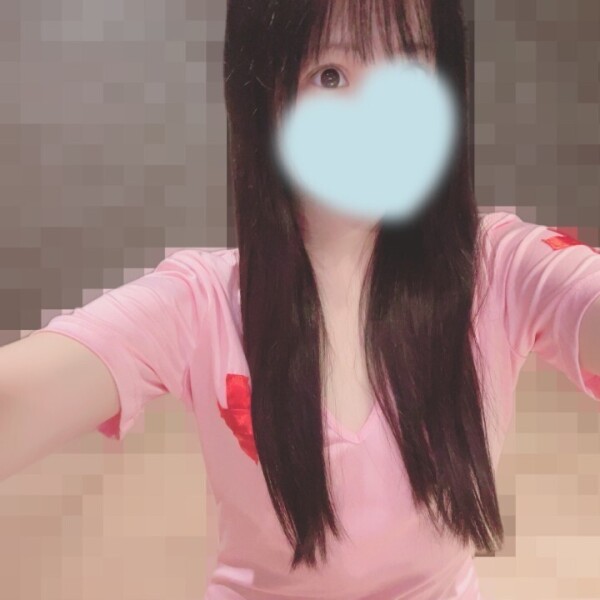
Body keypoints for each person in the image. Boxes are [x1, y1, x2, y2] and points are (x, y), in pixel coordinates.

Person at [2, 1, 600, 598]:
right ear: (266, 103)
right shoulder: (203, 304)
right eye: (331, 75)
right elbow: (18, 397)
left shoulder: (498, 267)